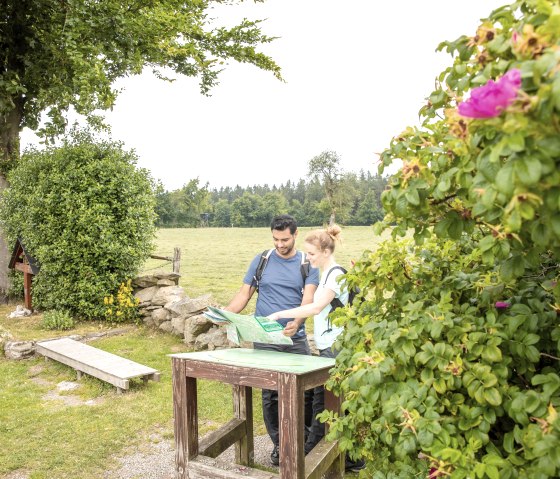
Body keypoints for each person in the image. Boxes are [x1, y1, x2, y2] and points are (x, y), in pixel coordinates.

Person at [267, 224, 366, 473]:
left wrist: (280, 313)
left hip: (337, 350)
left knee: (324, 404)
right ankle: (352, 459)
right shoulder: (326, 275)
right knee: (332, 403)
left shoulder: (333, 275)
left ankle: (308, 461)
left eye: (310, 253)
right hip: (329, 348)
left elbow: (315, 308)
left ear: (324, 251)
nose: (307, 258)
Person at [224, 214, 320, 466]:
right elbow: (244, 293)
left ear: (296, 234)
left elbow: (308, 300)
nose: (280, 244)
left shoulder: (307, 263)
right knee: (271, 395)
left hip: (295, 339)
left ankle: (304, 441)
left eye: (285, 239)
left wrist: (297, 322)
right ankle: (280, 445)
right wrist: (224, 314)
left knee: (307, 392)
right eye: (276, 239)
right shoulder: (262, 260)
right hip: (264, 337)